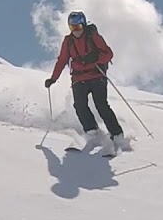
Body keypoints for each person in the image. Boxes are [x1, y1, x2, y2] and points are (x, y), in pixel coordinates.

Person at [44, 10, 124, 155]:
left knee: (101, 104)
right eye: (72, 28)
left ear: (84, 25)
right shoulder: (68, 41)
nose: (75, 31)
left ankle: (117, 134)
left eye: (78, 27)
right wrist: (53, 79)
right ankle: (92, 132)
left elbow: (108, 54)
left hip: (96, 75)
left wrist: (95, 58)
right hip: (79, 78)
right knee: (79, 105)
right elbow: (62, 60)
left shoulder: (93, 36)